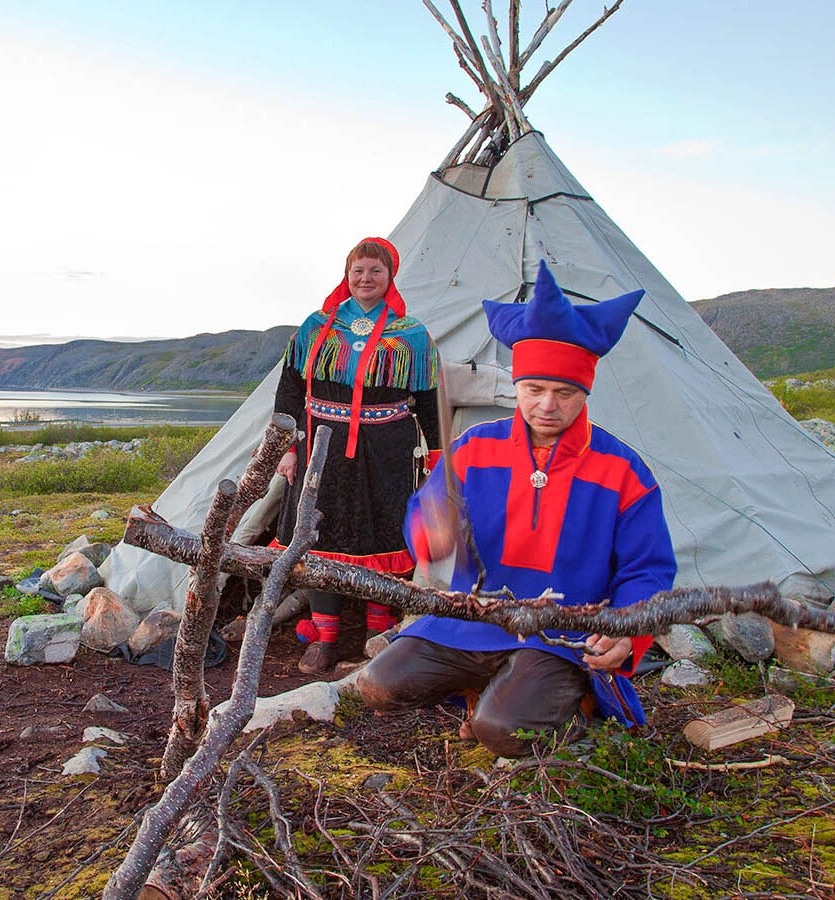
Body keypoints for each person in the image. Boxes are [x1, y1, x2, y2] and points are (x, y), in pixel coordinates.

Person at [357, 260, 677, 757]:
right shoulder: (473, 449)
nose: (547, 405)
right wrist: (430, 530)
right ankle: (485, 686)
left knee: (502, 732)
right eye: (534, 390)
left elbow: (648, 570)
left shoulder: (623, 471)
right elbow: (425, 512)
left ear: (584, 391)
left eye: (563, 392)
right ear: (517, 387)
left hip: (561, 632)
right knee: (378, 684)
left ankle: (572, 703)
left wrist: (627, 632)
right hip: (475, 620)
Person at [272, 237, 441, 674]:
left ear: (390, 277)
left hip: (387, 451)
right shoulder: (316, 326)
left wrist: (438, 458)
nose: (366, 279)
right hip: (321, 446)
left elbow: (428, 400)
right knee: (319, 534)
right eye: (358, 271)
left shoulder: (413, 335)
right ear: (347, 276)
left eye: (375, 271)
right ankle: (325, 637)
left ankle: (376, 635)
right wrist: (287, 448)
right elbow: (291, 390)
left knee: (381, 536)